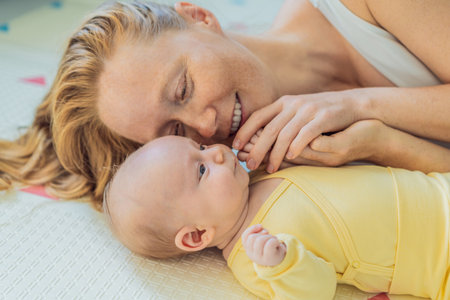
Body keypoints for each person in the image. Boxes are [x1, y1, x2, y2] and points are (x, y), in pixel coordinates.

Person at [1, 0, 449, 210]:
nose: (205, 124)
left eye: (182, 88)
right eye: (174, 132)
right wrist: (381, 143)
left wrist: (361, 104)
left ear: (199, 17)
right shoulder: (275, 166)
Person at [103, 134, 450, 300]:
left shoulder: (256, 176)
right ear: (197, 235)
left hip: (438, 190)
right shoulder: (252, 256)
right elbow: (317, 290)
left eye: (201, 147)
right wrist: (283, 263)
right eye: (201, 171)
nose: (219, 153)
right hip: (436, 262)